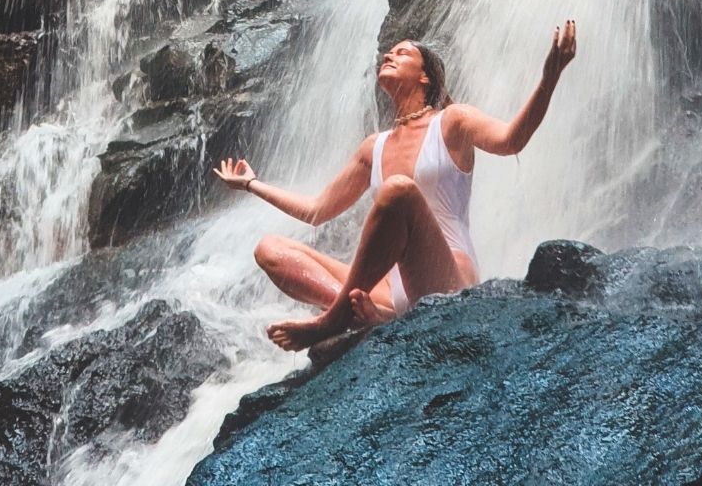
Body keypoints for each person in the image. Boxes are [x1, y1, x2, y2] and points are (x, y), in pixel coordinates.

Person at [215, 21, 577, 351]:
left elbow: (511, 140)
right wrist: (252, 184)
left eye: (403, 52)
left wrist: (550, 78)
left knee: (399, 191)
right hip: (390, 291)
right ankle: (364, 317)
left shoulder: (452, 122)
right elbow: (315, 211)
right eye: (389, 52)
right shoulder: (374, 147)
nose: (389, 54)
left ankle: (333, 319)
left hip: (446, 278)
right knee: (270, 248)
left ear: (425, 78)